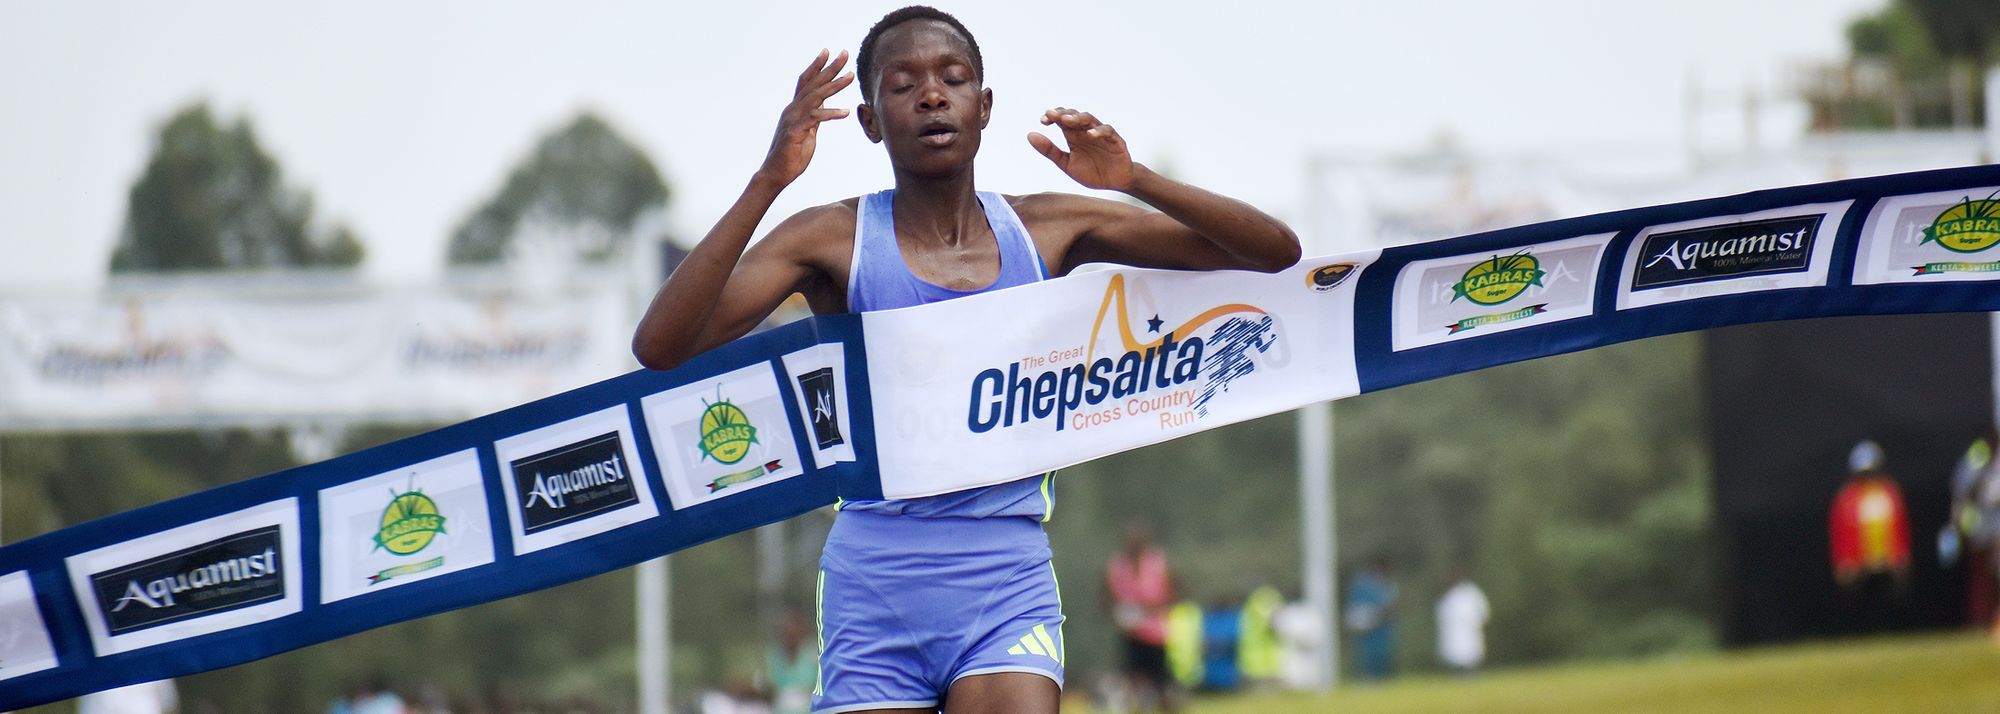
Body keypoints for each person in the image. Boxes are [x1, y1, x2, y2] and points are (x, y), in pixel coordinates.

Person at [631, 6, 1299, 712]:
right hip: (875, 580)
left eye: (953, 79)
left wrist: (1134, 178)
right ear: (868, 120)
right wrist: (769, 179)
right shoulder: (832, 239)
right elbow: (662, 346)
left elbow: (1272, 251)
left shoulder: (1046, 228)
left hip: (1004, 574)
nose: (931, 96)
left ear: (984, 108)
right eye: (902, 85)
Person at [1105, 521, 1176, 712]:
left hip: (1155, 633)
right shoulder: (1118, 565)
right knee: (1133, 682)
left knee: (1161, 682)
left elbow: (1173, 593)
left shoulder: (1157, 562)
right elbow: (1108, 597)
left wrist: (1150, 608)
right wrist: (1119, 612)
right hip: (1131, 633)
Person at [1344, 558, 1397, 682]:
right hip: (1368, 624)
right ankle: (1367, 677)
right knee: (1368, 653)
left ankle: (1379, 677)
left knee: (1381, 654)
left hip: (1381, 624)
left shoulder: (1384, 584)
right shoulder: (1362, 585)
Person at [1434, 570, 1489, 675]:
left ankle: (1471, 671)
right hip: (1455, 631)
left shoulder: (1471, 592)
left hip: (1470, 628)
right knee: (1456, 651)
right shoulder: (1448, 596)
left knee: (1471, 651)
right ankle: (1458, 672)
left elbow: (1482, 610)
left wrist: (1478, 621)